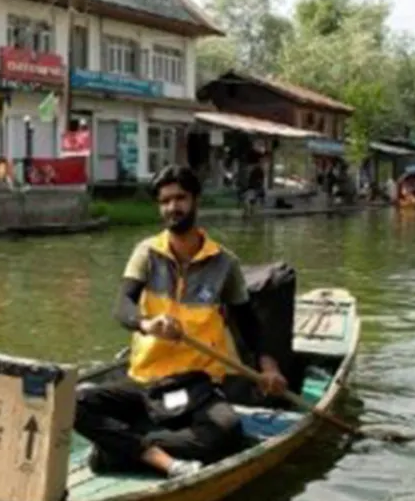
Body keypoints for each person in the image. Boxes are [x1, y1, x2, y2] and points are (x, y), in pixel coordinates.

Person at [74, 165, 288, 479]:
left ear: (196, 200)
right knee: (73, 401)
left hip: (196, 387)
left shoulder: (224, 263)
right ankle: (151, 454)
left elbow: (248, 323)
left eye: (180, 198)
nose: (173, 207)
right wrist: (147, 324)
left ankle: (120, 448)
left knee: (226, 433)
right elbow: (122, 306)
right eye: (165, 201)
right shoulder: (146, 253)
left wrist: (268, 368)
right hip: (145, 382)